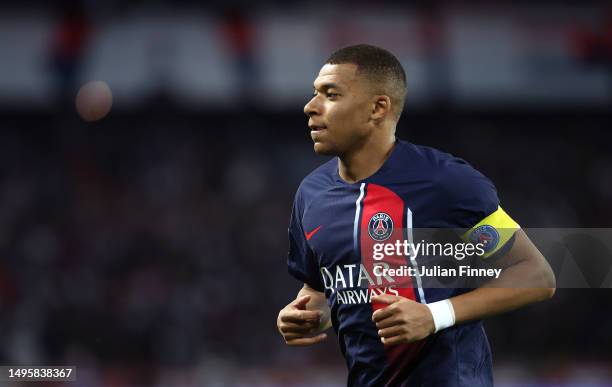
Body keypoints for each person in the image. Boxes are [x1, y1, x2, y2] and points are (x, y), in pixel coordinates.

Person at [276, 44, 556, 386]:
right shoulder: (311, 194)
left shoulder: (445, 181)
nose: (310, 107)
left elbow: (535, 275)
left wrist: (434, 315)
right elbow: (322, 289)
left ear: (378, 108)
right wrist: (308, 314)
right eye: (314, 94)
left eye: (330, 95)